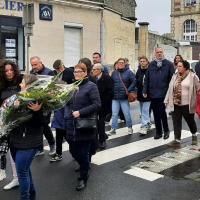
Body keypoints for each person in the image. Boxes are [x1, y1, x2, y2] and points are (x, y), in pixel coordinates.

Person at [64, 63, 101, 191]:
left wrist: (81, 112)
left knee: (84, 153)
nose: (77, 73)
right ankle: (85, 165)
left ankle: (83, 177)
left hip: (85, 125)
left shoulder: (91, 87)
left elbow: (97, 105)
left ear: (85, 73)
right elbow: (67, 103)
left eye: (80, 71)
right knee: (73, 152)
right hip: (71, 125)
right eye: (75, 71)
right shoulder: (72, 87)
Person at [9, 74, 44, 200]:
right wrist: (14, 108)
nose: (20, 84)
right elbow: (13, 120)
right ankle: (32, 195)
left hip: (29, 142)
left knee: (22, 172)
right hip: (15, 140)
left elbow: (43, 124)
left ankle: (25, 198)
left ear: (29, 85)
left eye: (22, 82)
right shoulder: (19, 98)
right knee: (25, 170)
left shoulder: (38, 100)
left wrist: (37, 111)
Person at [165, 60, 200, 147]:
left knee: (190, 120)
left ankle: (194, 135)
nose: (177, 67)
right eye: (177, 66)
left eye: (180, 66)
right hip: (176, 103)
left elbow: (198, 88)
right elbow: (170, 88)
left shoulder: (193, 76)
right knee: (176, 122)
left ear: (185, 67)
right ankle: (177, 140)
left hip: (187, 104)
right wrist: (166, 100)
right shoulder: (175, 76)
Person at [143, 47, 174, 140]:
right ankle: (158, 132)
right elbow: (147, 79)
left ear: (163, 53)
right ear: (155, 54)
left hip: (164, 93)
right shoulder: (151, 64)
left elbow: (172, 80)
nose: (159, 54)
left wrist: (170, 93)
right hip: (153, 93)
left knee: (161, 112)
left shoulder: (168, 64)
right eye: (157, 52)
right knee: (155, 114)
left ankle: (166, 131)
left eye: (161, 52)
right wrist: (144, 91)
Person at [0, 60, 22, 189]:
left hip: (21, 123)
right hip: (6, 124)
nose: (9, 73)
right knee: (9, 152)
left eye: (11, 70)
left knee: (19, 152)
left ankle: (20, 177)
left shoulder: (21, 83)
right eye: (6, 71)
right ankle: (16, 178)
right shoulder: (1, 85)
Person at [30, 56, 55, 156]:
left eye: (35, 64)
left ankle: (52, 144)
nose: (34, 66)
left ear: (41, 63)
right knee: (37, 125)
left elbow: (54, 88)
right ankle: (39, 148)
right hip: (35, 103)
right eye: (32, 65)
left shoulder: (49, 72)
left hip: (46, 105)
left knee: (44, 125)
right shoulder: (32, 72)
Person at [50, 59, 74, 162]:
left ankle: (75, 151)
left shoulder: (69, 72)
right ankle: (58, 153)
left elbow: (71, 87)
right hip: (58, 105)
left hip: (67, 104)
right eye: (57, 69)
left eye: (59, 68)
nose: (59, 70)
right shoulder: (54, 73)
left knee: (66, 131)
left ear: (62, 65)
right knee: (59, 130)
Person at [109, 58, 136, 135]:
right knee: (114, 114)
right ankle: (113, 128)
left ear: (124, 64)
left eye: (122, 62)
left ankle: (130, 127)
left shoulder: (129, 72)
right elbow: (111, 83)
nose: (120, 64)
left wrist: (128, 90)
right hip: (115, 97)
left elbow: (134, 82)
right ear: (117, 64)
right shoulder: (114, 73)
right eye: (119, 62)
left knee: (126, 113)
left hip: (124, 97)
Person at [92, 63, 113, 149]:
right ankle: (101, 136)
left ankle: (102, 140)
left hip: (103, 104)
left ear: (99, 70)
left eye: (94, 70)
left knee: (101, 122)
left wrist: (103, 100)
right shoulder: (92, 78)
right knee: (95, 122)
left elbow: (111, 91)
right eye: (92, 69)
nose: (92, 71)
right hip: (94, 104)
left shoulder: (107, 77)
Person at [136, 56, 151, 135]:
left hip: (148, 94)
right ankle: (148, 123)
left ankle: (144, 125)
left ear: (147, 62)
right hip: (140, 93)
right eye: (141, 61)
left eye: (144, 61)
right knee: (142, 110)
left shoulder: (150, 70)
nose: (142, 62)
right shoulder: (139, 70)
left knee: (145, 110)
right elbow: (136, 80)